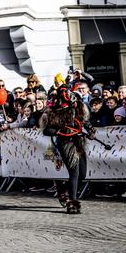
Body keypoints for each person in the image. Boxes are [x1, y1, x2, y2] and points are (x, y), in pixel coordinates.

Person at [41, 86, 95, 214]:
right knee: (74, 172)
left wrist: (91, 130)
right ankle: (72, 202)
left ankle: (62, 188)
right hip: (66, 144)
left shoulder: (79, 107)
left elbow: (84, 122)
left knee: (82, 173)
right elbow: (47, 130)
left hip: (79, 142)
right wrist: (60, 131)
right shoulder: (53, 111)